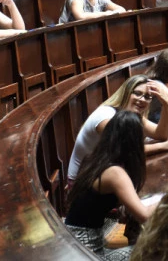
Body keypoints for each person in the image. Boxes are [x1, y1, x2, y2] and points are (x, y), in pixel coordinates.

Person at [66, 74, 168, 183]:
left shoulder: (131, 114)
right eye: (137, 93)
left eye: (148, 97)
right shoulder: (106, 116)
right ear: (126, 92)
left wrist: (166, 104)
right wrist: (164, 146)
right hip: (82, 181)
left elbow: (161, 134)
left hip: (101, 171)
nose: (142, 100)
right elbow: (125, 150)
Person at [65, 111, 153, 260]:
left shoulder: (97, 159)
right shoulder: (115, 173)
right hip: (86, 252)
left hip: (76, 243)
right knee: (153, 253)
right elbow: (145, 215)